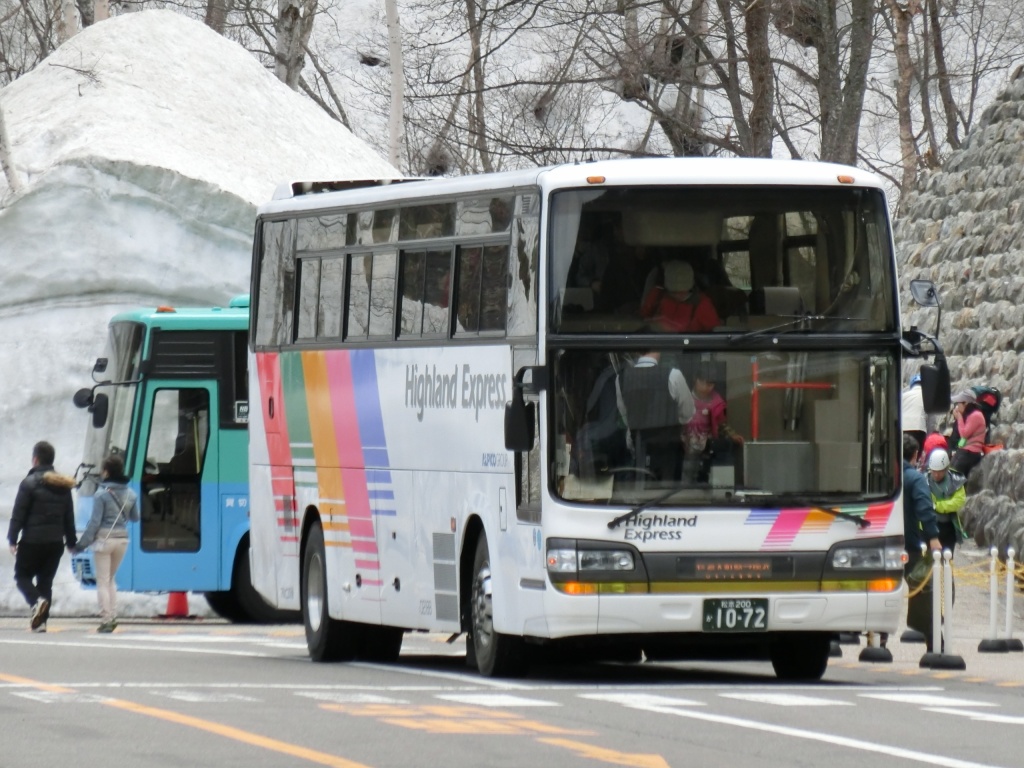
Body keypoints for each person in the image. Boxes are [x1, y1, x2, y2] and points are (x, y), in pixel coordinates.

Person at [6, 440, 77, 633]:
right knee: (45, 581)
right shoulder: (64, 485)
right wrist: (71, 542)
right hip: (55, 544)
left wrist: (12, 539)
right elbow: (68, 517)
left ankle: (37, 602)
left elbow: (18, 513)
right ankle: (41, 622)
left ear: (35, 460)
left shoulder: (28, 484)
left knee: (22, 576)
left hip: (32, 542)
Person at [74, 454, 140, 632]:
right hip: (122, 541)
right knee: (111, 579)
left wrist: (81, 544)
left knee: (102, 581)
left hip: (104, 540)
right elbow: (135, 518)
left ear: (106, 472)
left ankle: (106, 619)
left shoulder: (101, 494)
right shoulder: (131, 494)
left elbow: (94, 524)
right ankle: (113, 616)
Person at [616, 350, 695, 482]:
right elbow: (687, 412)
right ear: (657, 350)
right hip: (669, 446)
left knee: (640, 487)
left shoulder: (621, 377)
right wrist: (673, 422)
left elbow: (624, 412)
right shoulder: (673, 375)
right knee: (668, 493)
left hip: (639, 445)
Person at [902, 434, 942, 650]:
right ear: (916, 455)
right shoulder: (916, 479)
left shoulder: (883, 475)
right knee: (923, 591)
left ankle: (878, 641)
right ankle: (933, 641)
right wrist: (933, 536)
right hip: (908, 544)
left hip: (882, 541)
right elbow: (924, 508)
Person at [683, 371, 744, 483]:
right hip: (689, 441)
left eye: (711, 385)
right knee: (689, 468)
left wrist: (732, 435)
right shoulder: (685, 397)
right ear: (695, 380)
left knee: (707, 471)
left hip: (708, 442)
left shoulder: (716, 401)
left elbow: (721, 423)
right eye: (704, 383)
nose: (707, 387)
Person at [640, 261, 721, 332]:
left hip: (689, 346)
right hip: (658, 344)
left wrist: (671, 327)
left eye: (684, 290)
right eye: (674, 291)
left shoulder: (703, 304)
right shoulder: (657, 295)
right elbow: (641, 320)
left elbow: (715, 334)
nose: (680, 294)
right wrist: (655, 322)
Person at [926, 448, 967, 554]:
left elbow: (958, 502)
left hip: (949, 526)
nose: (936, 474)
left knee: (948, 558)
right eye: (933, 471)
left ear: (946, 468)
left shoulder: (956, 480)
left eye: (939, 471)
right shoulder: (924, 480)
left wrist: (937, 506)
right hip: (930, 525)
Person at [950, 389, 986, 478]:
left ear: (965, 403)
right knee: (951, 472)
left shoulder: (976, 415)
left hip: (970, 452)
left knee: (954, 476)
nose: (957, 407)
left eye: (958, 404)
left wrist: (959, 417)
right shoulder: (970, 415)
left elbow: (964, 434)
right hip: (965, 451)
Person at [901, 373, 927, 450]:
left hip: (904, 428)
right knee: (916, 453)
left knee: (903, 453)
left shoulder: (903, 395)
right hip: (918, 428)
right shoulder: (926, 396)